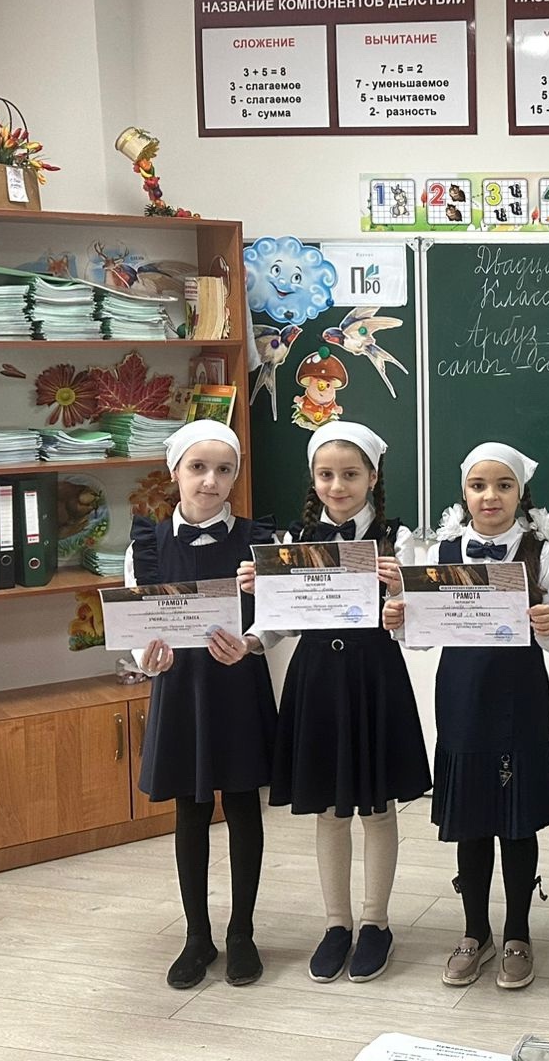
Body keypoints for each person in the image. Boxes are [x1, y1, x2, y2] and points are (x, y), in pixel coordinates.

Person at [238, 422, 430, 985]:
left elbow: (416, 628)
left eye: (350, 474)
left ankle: (376, 923)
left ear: (372, 476)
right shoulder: (292, 540)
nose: (337, 486)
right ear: (313, 479)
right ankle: (336, 924)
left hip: (374, 676)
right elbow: (277, 623)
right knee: (329, 808)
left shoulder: (399, 539)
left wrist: (400, 595)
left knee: (377, 807)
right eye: (326, 475)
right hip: (318, 678)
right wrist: (251, 634)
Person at [383, 442, 549, 992]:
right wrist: (398, 619)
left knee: (517, 820)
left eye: (504, 486)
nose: (491, 496)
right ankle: (474, 932)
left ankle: (518, 933)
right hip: (462, 695)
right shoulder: (443, 550)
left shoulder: (543, 552)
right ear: (463, 492)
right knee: (471, 818)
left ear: (520, 493)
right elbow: (420, 635)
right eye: (478, 485)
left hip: (520, 697)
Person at [128, 420, 274, 990]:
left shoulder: (260, 542)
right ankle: (197, 936)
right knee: (189, 811)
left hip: (237, 685)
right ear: (175, 472)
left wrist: (254, 641)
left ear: (236, 476)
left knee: (242, 805)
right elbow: (136, 622)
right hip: (180, 686)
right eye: (198, 467)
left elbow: (279, 617)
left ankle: (242, 933)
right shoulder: (147, 544)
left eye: (223, 470)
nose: (210, 481)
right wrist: (147, 658)